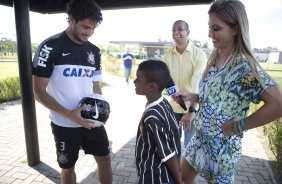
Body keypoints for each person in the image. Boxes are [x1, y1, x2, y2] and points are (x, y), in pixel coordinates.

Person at [174, 0, 282, 183]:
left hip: (222, 150)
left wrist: (238, 126)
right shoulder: (215, 57)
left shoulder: (244, 66)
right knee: (182, 179)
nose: (209, 34)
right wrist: (193, 96)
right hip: (199, 140)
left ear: (236, 29)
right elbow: (219, 99)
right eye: (209, 27)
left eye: (216, 29)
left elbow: (278, 105)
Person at [32, 0, 112, 183]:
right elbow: (38, 91)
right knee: (68, 170)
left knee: (105, 159)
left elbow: (95, 84)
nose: (89, 33)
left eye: (92, 29)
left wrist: (101, 107)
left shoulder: (94, 51)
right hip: (64, 124)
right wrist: (70, 115)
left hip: (92, 121)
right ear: (71, 20)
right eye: (85, 27)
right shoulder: (50, 46)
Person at [134, 60, 182, 184]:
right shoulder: (163, 102)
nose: (134, 81)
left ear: (151, 87)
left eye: (138, 78)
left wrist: (179, 180)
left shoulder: (152, 116)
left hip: (155, 176)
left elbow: (168, 154)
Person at [163, 20, 207, 147]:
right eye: (174, 29)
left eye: (180, 29)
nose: (176, 32)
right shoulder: (167, 56)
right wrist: (171, 93)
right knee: (172, 148)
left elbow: (199, 85)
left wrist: (191, 111)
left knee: (190, 150)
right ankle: (175, 168)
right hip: (173, 108)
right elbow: (166, 80)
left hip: (193, 110)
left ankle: (186, 167)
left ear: (188, 32)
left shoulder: (199, 55)